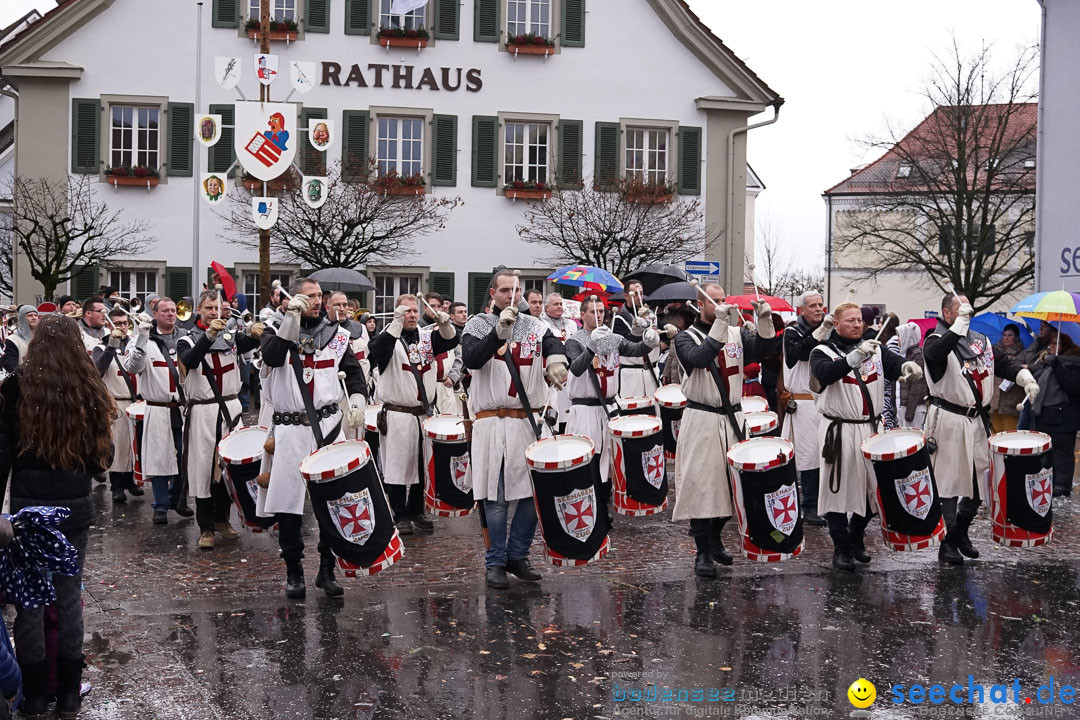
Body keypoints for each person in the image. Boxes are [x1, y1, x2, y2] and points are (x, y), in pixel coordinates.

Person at [0, 315, 116, 719]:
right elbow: (104, 462)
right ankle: (68, 693)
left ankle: (34, 695)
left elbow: (1, 457)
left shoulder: (14, 388)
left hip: (28, 513)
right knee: (69, 602)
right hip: (74, 511)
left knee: (29, 603)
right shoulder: (88, 389)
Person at [258, 278, 367, 599]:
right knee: (290, 504)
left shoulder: (337, 335)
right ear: (294, 299)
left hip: (328, 425)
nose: (317, 301)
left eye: (320, 295)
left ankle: (326, 569)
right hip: (290, 429)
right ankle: (293, 570)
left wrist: (358, 401)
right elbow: (275, 357)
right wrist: (290, 319)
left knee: (331, 499)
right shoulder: (273, 331)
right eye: (310, 296)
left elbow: (355, 374)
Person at [461, 270, 568, 589]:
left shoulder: (537, 326)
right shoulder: (477, 325)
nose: (512, 295)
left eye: (516, 290)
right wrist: (498, 333)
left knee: (532, 494)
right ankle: (494, 562)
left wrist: (557, 363)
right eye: (505, 289)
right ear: (492, 293)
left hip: (528, 420)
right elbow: (472, 359)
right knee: (495, 497)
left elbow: (554, 349)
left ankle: (518, 555)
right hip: (492, 421)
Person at [673, 282, 779, 578]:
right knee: (703, 486)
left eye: (723, 300)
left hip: (732, 416)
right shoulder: (684, 338)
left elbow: (766, 349)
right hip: (702, 418)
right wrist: (720, 322)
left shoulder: (737, 333)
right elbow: (700, 358)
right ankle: (703, 551)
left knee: (732, 485)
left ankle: (717, 537)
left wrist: (764, 319)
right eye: (714, 301)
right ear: (700, 303)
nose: (722, 305)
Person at [923, 294, 1038, 565]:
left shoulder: (981, 341)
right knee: (949, 482)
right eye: (960, 310)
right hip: (949, 418)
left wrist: (1026, 379)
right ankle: (948, 541)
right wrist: (958, 327)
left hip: (977, 420)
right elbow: (936, 355)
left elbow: (1005, 364)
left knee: (977, 480)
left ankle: (962, 531)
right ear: (947, 314)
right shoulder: (936, 340)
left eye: (968, 310)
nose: (967, 314)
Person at [810, 302, 921, 571]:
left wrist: (907, 366)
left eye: (859, 320)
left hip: (872, 428)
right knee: (837, 490)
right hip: (841, 429)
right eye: (850, 321)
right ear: (836, 324)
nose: (858, 325)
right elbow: (826, 374)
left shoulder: (876, 348)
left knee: (875, 489)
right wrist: (854, 357)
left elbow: (893, 364)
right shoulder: (821, 351)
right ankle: (840, 547)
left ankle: (855, 534)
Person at [177, 291, 262, 550]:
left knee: (228, 468)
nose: (214, 313)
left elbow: (248, 344)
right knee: (203, 468)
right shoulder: (186, 339)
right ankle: (206, 527)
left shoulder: (230, 337)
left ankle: (223, 520)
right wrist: (208, 336)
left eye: (217, 308)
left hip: (230, 408)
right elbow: (190, 361)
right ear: (198, 311)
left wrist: (256, 333)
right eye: (209, 308)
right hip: (203, 411)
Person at [368, 294, 458, 535]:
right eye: (406, 311)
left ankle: (416, 510)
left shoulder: (427, 337)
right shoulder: (388, 338)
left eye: (415, 311)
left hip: (422, 413)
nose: (412, 315)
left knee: (420, 464)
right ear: (398, 313)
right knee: (397, 465)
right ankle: (399, 514)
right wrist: (395, 325)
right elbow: (377, 351)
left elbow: (450, 342)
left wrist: (445, 324)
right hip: (398, 413)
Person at [565, 296, 663, 486]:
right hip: (585, 409)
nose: (599, 315)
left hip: (609, 407)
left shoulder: (614, 339)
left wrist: (649, 342)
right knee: (590, 458)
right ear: (582, 315)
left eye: (601, 311)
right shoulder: (574, 341)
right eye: (593, 311)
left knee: (610, 458)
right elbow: (576, 368)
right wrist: (591, 347)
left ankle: (605, 501)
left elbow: (635, 350)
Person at [126, 298, 194, 524]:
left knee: (186, 457)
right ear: (155, 314)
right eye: (165, 311)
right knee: (160, 457)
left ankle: (176, 498)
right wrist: (142, 338)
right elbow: (132, 367)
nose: (171, 314)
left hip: (183, 408)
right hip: (158, 407)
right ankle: (161, 505)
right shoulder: (143, 339)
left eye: (173, 310)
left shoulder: (186, 338)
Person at [779, 290, 829, 526]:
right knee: (809, 456)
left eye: (821, 305)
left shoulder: (827, 332)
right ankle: (809, 505)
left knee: (824, 454)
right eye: (813, 306)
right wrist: (821, 332)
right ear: (801, 310)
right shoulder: (792, 331)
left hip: (822, 400)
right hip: (803, 402)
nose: (819, 309)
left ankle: (822, 502)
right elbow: (800, 353)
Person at [92, 307, 145, 505]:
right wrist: (112, 345)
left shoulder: (133, 345)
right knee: (118, 445)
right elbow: (98, 370)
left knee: (134, 444)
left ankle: (131, 481)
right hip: (115, 402)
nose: (122, 327)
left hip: (134, 400)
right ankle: (117, 486)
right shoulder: (101, 347)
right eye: (118, 323)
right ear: (109, 324)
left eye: (125, 323)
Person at [1027, 331, 1080, 497]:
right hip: (1045, 415)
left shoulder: (1073, 364)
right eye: (1050, 343)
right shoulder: (1046, 364)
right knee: (1046, 453)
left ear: (1065, 347)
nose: (1051, 347)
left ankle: (1062, 486)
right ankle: (1048, 482)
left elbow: (1072, 386)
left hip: (1064, 417)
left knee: (1062, 453)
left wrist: (1058, 366)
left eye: (1056, 344)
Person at [614, 280, 660, 398]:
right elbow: (622, 345)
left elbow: (661, 334)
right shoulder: (620, 318)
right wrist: (634, 334)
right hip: (632, 375)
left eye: (641, 293)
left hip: (651, 371)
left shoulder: (650, 315)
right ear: (626, 296)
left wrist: (668, 331)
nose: (639, 297)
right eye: (634, 294)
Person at [538, 293, 574, 432]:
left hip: (569, 374)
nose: (559, 307)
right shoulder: (542, 324)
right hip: (553, 377)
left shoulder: (571, 324)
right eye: (555, 304)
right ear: (546, 308)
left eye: (560, 304)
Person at [990, 324, 1026, 433]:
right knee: (994, 433)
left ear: (1016, 337)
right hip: (994, 400)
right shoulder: (994, 352)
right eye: (1004, 335)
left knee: (1010, 433)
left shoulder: (1023, 354)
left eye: (1010, 335)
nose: (1006, 337)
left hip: (1012, 400)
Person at [895, 322, 929, 429]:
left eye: (900, 336)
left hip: (915, 409)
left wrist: (909, 413)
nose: (897, 340)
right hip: (903, 406)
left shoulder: (917, 355)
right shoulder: (903, 355)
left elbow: (917, 385)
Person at [879, 313, 900, 429]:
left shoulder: (893, 343)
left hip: (888, 392)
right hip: (887, 391)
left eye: (881, 322)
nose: (878, 325)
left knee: (887, 424)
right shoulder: (888, 341)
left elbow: (891, 367)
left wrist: (879, 384)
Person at [2, 306, 38, 372]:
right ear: (22, 318)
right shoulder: (13, 340)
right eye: (30, 315)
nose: (34, 318)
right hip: (21, 379)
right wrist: (22, 372)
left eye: (35, 315)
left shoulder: (41, 338)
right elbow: (9, 361)